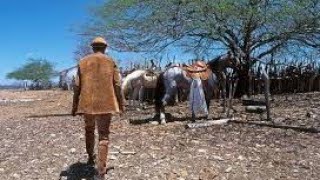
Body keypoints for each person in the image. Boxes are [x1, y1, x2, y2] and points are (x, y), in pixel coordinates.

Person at [72, 37, 125, 179]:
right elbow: (118, 85)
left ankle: (90, 157)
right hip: (106, 104)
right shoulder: (111, 61)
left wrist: (74, 106)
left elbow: (76, 86)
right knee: (104, 136)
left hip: (87, 104)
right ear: (105, 48)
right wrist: (121, 104)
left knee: (89, 130)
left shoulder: (83, 62)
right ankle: (101, 172)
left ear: (92, 47)